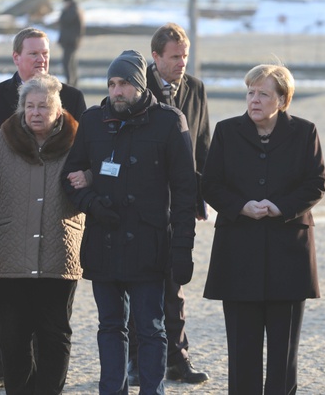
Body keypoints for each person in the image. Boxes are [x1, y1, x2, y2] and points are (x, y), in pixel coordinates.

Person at [61, 49, 198, 394]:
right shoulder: (93, 120)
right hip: (104, 241)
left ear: (139, 84)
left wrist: (183, 248)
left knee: (151, 328)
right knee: (109, 326)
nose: (117, 91)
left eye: (124, 84)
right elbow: (70, 176)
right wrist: (91, 202)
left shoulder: (169, 121)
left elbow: (185, 192)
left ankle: (152, 390)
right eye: (112, 84)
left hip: (149, 244)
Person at [0, 26, 86, 391]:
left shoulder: (78, 140)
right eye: (30, 106)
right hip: (8, 257)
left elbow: (96, 184)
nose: (37, 112)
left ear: (59, 109)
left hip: (59, 256)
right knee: (13, 339)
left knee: (55, 337)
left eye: (45, 107)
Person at [201, 64, 325, 394]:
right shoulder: (227, 131)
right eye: (250, 92)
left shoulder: (304, 132)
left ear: (282, 100)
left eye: (263, 94)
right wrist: (241, 206)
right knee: (242, 353)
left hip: (289, 255)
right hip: (238, 253)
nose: (254, 100)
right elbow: (210, 184)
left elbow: (316, 184)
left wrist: (281, 206)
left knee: (283, 355)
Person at [126, 22, 210, 385]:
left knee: (174, 284)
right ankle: (136, 360)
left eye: (185, 57)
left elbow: (202, 144)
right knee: (138, 283)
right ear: (155, 56)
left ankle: (178, 357)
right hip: (140, 203)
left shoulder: (196, 89)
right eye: (174, 57)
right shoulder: (134, 85)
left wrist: (199, 196)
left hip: (179, 202)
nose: (181, 63)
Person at [57, 0, 84, 87]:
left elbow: (64, 21)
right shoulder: (75, 10)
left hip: (70, 42)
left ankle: (70, 81)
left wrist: (63, 11)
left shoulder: (72, 11)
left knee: (67, 62)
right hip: (71, 41)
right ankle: (73, 81)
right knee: (71, 62)